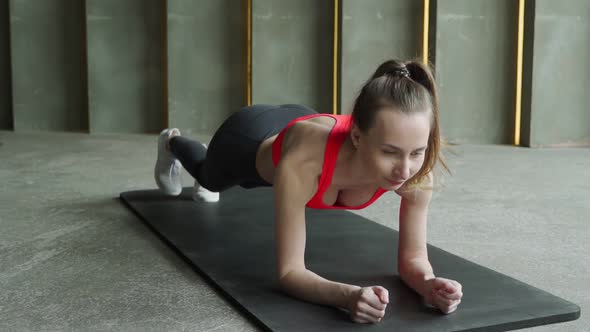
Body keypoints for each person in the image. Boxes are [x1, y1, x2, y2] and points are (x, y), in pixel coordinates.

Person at [154, 59, 463, 324]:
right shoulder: (305, 163)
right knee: (209, 179)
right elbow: (290, 273)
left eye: (416, 152)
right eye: (390, 152)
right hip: (247, 141)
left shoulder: (417, 175)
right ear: (358, 136)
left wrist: (429, 284)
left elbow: (413, 258)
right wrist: (348, 296)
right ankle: (172, 143)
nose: (405, 170)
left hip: (301, 123)